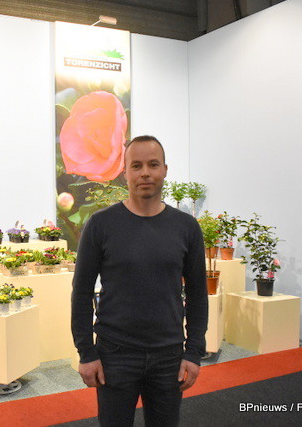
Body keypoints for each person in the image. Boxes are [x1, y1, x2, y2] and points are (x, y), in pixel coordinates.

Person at [71, 135, 208, 426]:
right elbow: (81, 292)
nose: (145, 172)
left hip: (169, 355)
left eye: (153, 164)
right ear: (125, 172)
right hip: (115, 355)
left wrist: (194, 352)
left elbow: (198, 294)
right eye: (136, 165)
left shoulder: (186, 227)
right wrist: (86, 353)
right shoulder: (101, 225)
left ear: (165, 170)